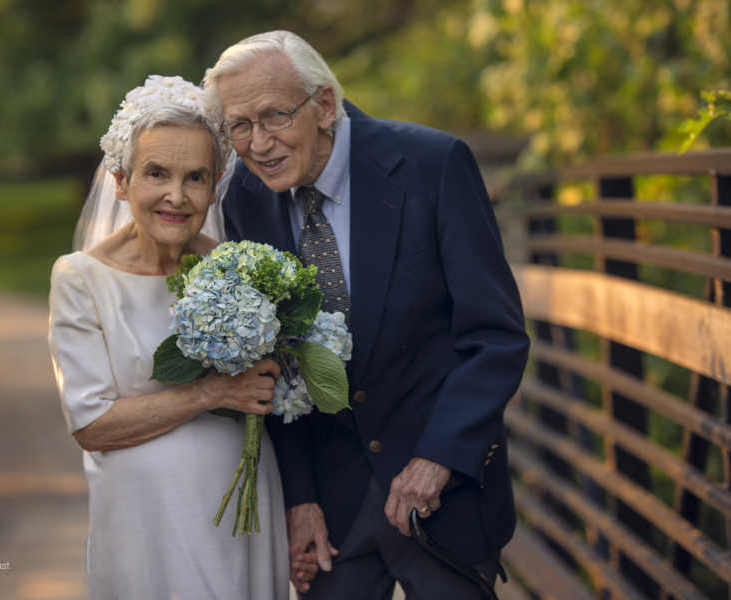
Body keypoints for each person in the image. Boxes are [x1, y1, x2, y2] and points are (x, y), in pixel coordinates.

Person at [203, 31, 530, 598]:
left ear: (324, 105)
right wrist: (299, 497)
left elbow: (495, 338)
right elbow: (272, 363)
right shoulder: (245, 200)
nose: (257, 144)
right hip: (332, 513)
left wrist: (439, 458)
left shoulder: (434, 165)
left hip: (441, 493)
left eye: (275, 116)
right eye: (239, 126)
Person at [47, 75, 299, 600]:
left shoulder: (239, 268)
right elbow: (91, 423)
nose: (176, 197)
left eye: (195, 178)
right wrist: (211, 392)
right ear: (120, 180)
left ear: (217, 182)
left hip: (242, 510)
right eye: (156, 173)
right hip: (142, 522)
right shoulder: (80, 278)